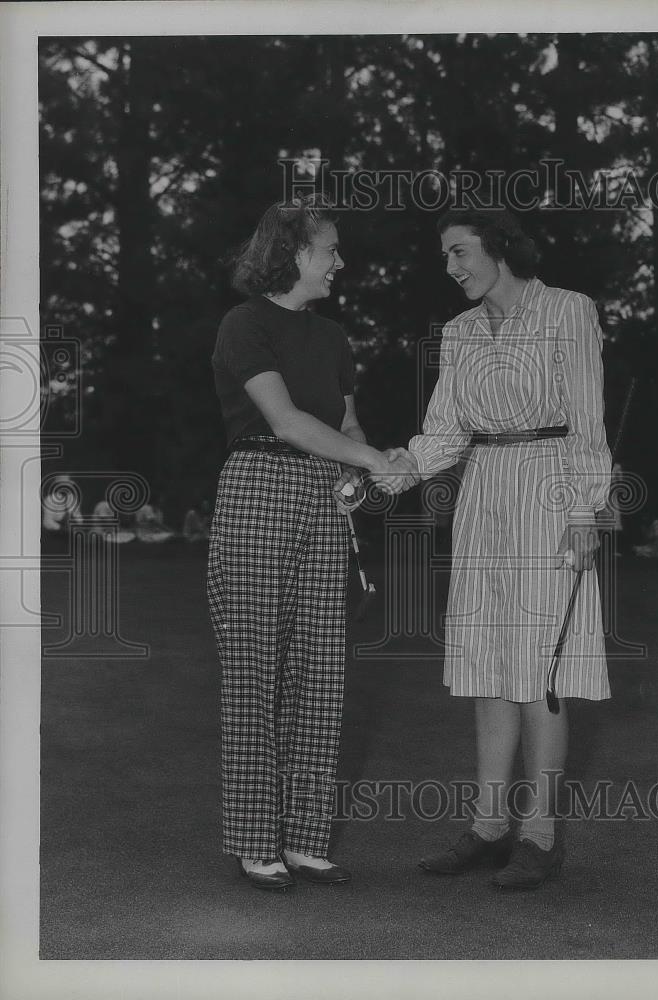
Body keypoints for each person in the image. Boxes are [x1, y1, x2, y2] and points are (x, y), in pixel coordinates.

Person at [341, 207, 612, 891]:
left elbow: (587, 420)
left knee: (540, 669)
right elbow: (444, 432)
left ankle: (541, 836)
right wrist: (391, 468)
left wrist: (584, 511)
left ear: (501, 250)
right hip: (484, 494)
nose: (452, 268)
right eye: (446, 257)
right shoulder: (459, 333)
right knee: (487, 662)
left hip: (551, 491)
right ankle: (490, 828)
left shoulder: (568, 311)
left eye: (461, 253)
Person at [207, 197, 401, 891]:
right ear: (293, 253)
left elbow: (345, 426)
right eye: (331, 249)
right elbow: (285, 420)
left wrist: (366, 469)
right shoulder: (244, 324)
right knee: (256, 670)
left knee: (321, 670)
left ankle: (308, 840)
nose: (340, 262)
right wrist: (376, 459)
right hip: (259, 486)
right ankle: (259, 842)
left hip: (324, 499)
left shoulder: (336, 338)